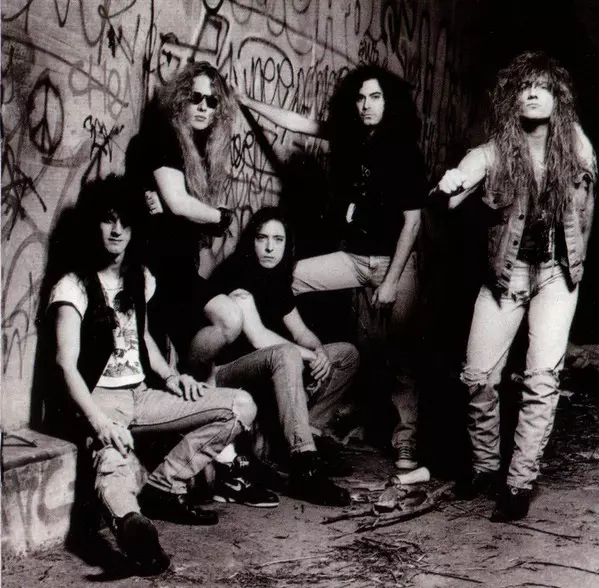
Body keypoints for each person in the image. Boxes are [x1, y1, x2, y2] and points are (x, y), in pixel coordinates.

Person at [46, 175, 257, 575]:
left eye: (125, 222)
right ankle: (133, 529)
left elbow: (141, 337)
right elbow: (65, 364)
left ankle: (164, 486)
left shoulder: (139, 278)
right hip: (101, 399)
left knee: (240, 406)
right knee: (113, 462)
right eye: (108, 220)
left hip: (141, 394)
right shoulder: (72, 286)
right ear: (94, 224)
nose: (117, 230)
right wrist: (98, 421)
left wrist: (172, 376)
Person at [239, 65, 429, 470]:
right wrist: (247, 102)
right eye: (360, 98)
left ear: (389, 102)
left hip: (395, 264)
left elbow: (412, 223)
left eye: (375, 97)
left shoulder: (405, 152)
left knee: (399, 355)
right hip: (354, 259)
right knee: (288, 277)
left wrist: (391, 282)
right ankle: (279, 370)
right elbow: (298, 123)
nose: (366, 105)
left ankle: (406, 440)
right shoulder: (348, 137)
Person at [433, 51, 596, 521]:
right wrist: (452, 183)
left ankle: (518, 482)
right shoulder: (495, 151)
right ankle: (486, 467)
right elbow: (456, 185)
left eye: (542, 86)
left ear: (558, 98)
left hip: (557, 275)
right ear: (512, 98)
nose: (532, 94)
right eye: (524, 86)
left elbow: (588, 202)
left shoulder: (576, 145)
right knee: (477, 376)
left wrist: (579, 258)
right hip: (506, 276)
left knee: (542, 379)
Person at [201, 207, 359, 507]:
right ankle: (304, 465)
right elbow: (259, 337)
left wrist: (319, 352)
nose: (270, 247)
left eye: (278, 239)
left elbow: (301, 331)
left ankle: (307, 434)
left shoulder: (277, 278)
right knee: (286, 353)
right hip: (225, 374)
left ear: (287, 244)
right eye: (262, 238)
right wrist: (309, 356)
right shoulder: (236, 274)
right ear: (252, 242)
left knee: (346, 355)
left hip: (266, 369)